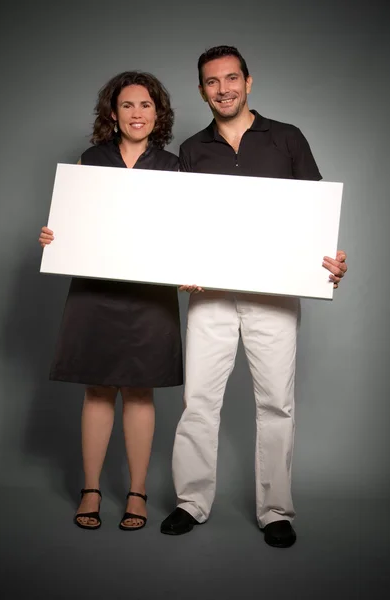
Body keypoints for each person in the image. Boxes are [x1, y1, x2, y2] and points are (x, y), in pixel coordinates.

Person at [161, 46, 348, 547]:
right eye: (211, 81)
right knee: (198, 399)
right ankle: (191, 502)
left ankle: (275, 511)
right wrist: (181, 265)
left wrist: (331, 260)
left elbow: (315, 211)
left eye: (231, 78)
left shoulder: (286, 137)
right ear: (201, 89)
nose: (222, 89)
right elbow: (184, 224)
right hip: (211, 293)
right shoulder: (192, 149)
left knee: (277, 403)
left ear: (248, 81)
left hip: (275, 291)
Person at [39, 71, 183, 531]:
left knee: (140, 390)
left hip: (150, 291)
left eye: (145, 105)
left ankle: (137, 493)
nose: (136, 113)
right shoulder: (89, 160)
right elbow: (74, 224)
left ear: (157, 113)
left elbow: (186, 232)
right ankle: (91, 488)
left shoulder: (175, 166)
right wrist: (53, 235)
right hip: (96, 291)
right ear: (113, 113)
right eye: (127, 105)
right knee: (98, 388)